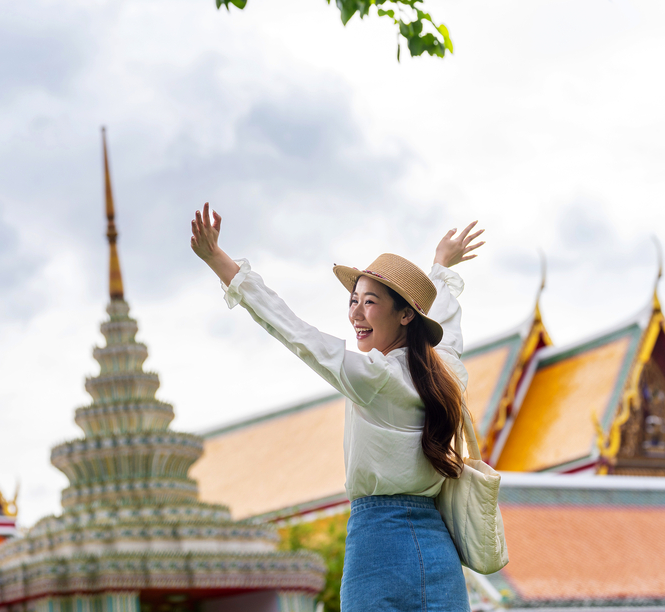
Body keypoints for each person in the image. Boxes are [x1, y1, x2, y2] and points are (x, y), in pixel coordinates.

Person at [190, 202, 485, 612]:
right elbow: (446, 320)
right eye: (353, 300)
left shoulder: (373, 376)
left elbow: (295, 331)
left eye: (370, 302)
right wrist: (441, 267)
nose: (356, 314)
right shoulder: (446, 369)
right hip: (438, 551)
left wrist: (218, 261)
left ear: (404, 316)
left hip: (377, 546)